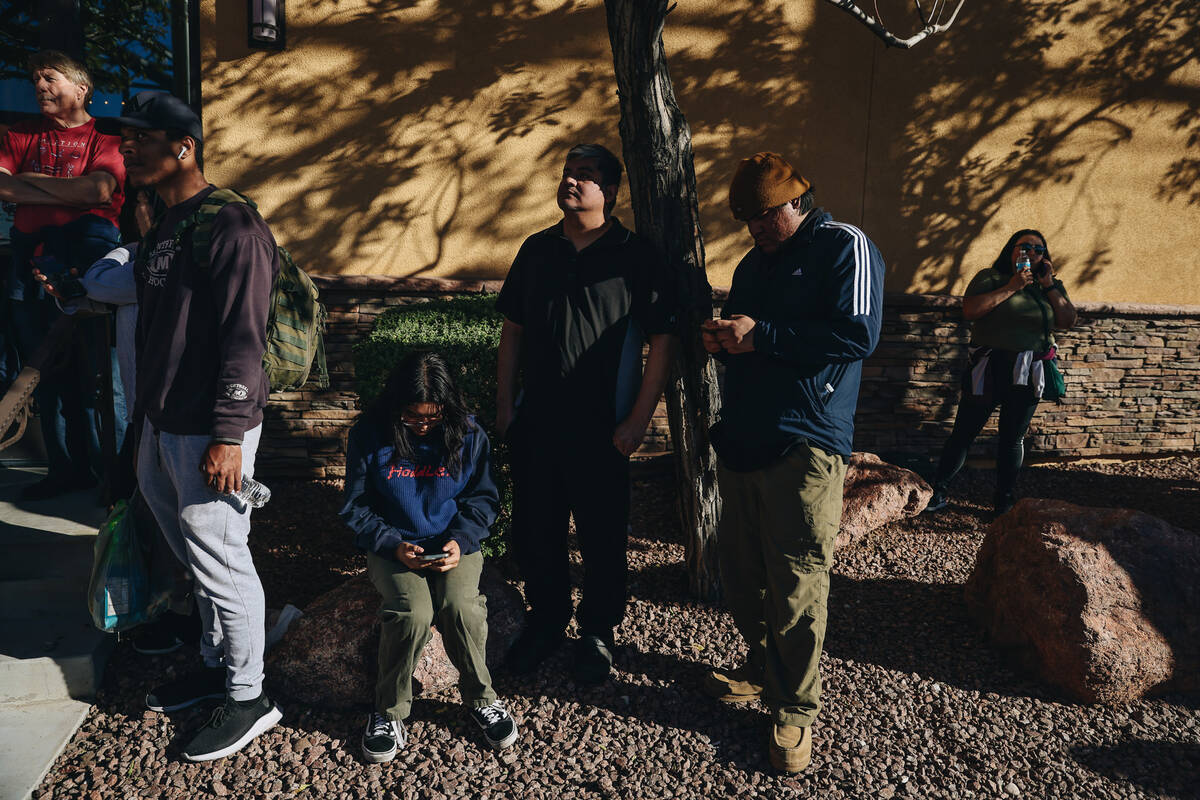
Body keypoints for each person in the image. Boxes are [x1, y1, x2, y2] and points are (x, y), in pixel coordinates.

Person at [94, 90, 282, 761]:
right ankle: (214, 660)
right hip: (163, 423)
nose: (128, 148)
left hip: (212, 426)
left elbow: (244, 336)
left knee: (222, 554)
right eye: (125, 138)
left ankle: (249, 695)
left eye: (142, 137)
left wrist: (229, 433)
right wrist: (139, 433)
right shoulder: (165, 231)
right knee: (195, 556)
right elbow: (154, 339)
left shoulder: (231, 225)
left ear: (185, 146)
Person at [699, 152, 884, 773]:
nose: (752, 228)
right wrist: (725, 341)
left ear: (793, 201)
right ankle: (764, 669)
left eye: (761, 215)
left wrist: (764, 335)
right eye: (744, 218)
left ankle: (795, 709)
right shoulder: (753, 264)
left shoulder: (844, 246)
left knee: (798, 575)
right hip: (747, 433)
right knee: (742, 567)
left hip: (807, 437)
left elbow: (859, 334)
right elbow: (752, 341)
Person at [495, 143, 676, 685]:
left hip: (604, 430)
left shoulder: (635, 255)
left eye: (586, 175)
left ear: (611, 192)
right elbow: (512, 333)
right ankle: (546, 622)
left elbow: (662, 341)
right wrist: (506, 407)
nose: (572, 182)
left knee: (602, 538)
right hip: (538, 425)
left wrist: (639, 420)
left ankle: (598, 632)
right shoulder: (536, 250)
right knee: (537, 533)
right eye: (568, 174)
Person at [341, 351, 517, 762]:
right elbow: (356, 507)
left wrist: (463, 538)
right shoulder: (370, 432)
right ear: (396, 406)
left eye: (432, 417)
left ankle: (481, 700)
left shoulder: (470, 433)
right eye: (413, 417)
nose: (422, 425)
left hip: (453, 542)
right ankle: (389, 712)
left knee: (461, 607)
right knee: (412, 612)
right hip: (392, 543)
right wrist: (391, 545)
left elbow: (484, 499)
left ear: (448, 407)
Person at [0, 50, 127, 500]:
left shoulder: (105, 139)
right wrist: (68, 193)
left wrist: (29, 181)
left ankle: (115, 475)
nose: (39, 86)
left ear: (81, 88)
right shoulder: (18, 134)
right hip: (28, 259)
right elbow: (1, 184)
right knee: (44, 369)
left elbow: (98, 190)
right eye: (34, 79)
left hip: (90, 260)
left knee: (104, 373)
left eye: (50, 78)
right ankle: (64, 470)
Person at [925, 229, 1077, 514]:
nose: (1032, 252)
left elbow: (1067, 319)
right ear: (1012, 250)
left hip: (1028, 370)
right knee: (964, 433)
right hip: (990, 366)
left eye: (1038, 249)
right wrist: (1013, 286)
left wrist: (1049, 285)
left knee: (1012, 438)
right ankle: (938, 491)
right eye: (1025, 246)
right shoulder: (990, 278)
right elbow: (970, 310)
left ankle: (1003, 500)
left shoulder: (1050, 285)